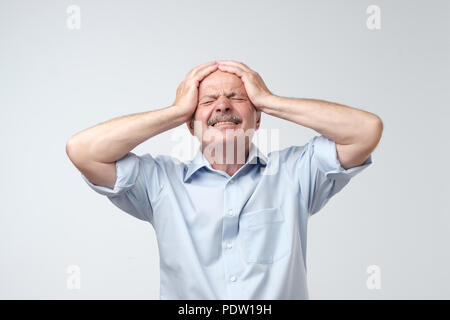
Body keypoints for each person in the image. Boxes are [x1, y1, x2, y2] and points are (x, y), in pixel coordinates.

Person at [66, 60, 383, 299]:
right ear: (190, 125)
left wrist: (270, 100)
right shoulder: (160, 182)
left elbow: (366, 130)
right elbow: (82, 150)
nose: (222, 105)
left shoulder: (295, 173)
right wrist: (176, 111)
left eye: (237, 97)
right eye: (207, 101)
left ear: (257, 117)